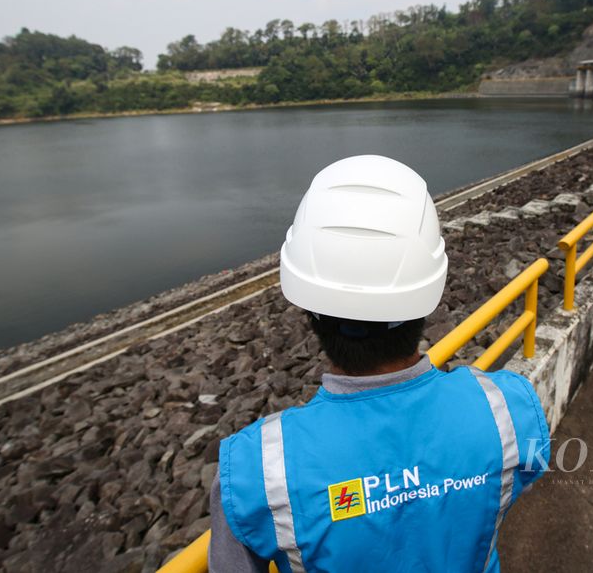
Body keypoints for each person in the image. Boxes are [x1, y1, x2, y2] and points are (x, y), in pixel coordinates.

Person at [208, 155, 551, 572]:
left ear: (308, 308)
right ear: (429, 296)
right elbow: (515, 483)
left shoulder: (255, 471)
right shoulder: (510, 409)